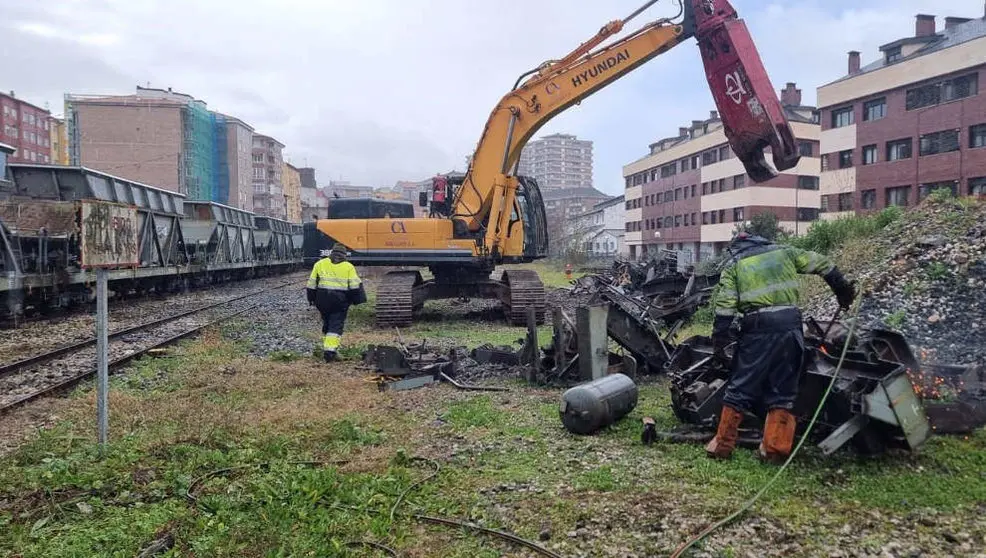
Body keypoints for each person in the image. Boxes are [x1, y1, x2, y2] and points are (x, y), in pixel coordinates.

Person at [706, 232, 855, 464]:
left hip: (757, 331)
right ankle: (774, 450)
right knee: (784, 388)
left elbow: (725, 306)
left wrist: (720, 341)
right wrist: (843, 291)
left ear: (737, 247)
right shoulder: (785, 252)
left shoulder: (735, 264)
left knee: (741, 385)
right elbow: (823, 264)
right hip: (791, 328)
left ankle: (722, 446)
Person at [306, 243, 366, 362]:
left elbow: (311, 284)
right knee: (336, 325)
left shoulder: (320, 264)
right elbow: (355, 286)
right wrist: (357, 300)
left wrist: (311, 299)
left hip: (322, 299)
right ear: (344, 255)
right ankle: (330, 352)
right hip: (339, 300)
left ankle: (328, 345)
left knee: (327, 322)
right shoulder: (348, 266)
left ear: (332, 252)